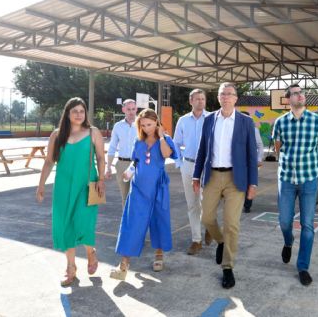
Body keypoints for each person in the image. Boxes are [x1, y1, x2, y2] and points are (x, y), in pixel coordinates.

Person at [192, 82, 258, 289]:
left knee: (231, 224)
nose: (226, 97)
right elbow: (203, 149)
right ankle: (221, 241)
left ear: (236, 98)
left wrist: (253, 183)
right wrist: (196, 176)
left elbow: (251, 154)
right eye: (223, 94)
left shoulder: (246, 122)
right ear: (218, 98)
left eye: (230, 94)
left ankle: (227, 267)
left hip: (235, 178)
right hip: (212, 175)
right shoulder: (209, 120)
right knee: (206, 218)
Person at [36, 97, 106, 287]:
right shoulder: (57, 135)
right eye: (74, 111)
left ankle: (90, 252)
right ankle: (71, 267)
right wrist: (41, 184)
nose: (78, 114)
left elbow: (101, 157)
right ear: (67, 114)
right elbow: (49, 161)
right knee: (65, 224)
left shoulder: (93, 132)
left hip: (87, 185)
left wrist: (101, 178)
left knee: (83, 222)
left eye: (81, 111)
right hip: (63, 187)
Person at [272, 84, 318, 286]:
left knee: (307, 225)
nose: (300, 95)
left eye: (302, 92)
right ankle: (288, 242)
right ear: (288, 99)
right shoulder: (280, 122)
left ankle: (303, 266)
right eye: (295, 93)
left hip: (309, 180)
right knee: (284, 221)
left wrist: (314, 168)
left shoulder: (317, 121)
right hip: (286, 179)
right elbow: (278, 149)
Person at [110, 109, 178, 279]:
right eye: (143, 125)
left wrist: (161, 136)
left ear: (156, 122)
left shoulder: (165, 139)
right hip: (138, 188)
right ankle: (124, 264)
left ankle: (159, 255)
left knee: (159, 220)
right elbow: (136, 161)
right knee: (132, 222)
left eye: (149, 124)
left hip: (158, 187)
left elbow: (166, 154)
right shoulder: (138, 141)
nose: (146, 128)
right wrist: (129, 172)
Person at [173, 89, 211, 255]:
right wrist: (179, 163)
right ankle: (196, 240)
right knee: (192, 204)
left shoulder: (212, 118)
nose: (200, 101)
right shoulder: (182, 120)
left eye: (203, 99)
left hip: (207, 166)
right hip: (188, 165)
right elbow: (176, 143)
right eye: (197, 99)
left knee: (207, 202)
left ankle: (209, 226)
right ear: (191, 101)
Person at [105, 99, 138, 207]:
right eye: (128, 109)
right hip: (122, 165)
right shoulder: (118, 126)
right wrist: (108, 167)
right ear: (123, 109)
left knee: (138, 196)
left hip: (138, 164)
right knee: (125, 197)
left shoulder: (142, 124)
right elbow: (112, 147)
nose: (131, 112)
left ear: (136, 109)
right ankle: (126, 218)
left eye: (133, 109)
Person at [241, 110, 264, 213]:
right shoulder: (233, 129)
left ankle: (247, 205)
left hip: (250, 161)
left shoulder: (254, 130)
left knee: (249, 183)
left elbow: (260, 145)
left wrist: (259, 159)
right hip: (237, 162)